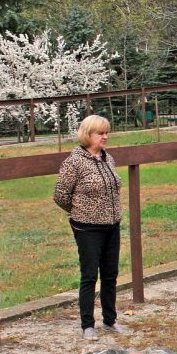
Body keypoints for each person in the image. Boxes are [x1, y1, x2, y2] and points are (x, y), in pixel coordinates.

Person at [53, 114, 129, 340]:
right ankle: (87, 324)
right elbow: (60, 195)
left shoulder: (108, 158)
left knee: (110, 274)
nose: (105, 137)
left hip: (112, 225)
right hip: (87, 228)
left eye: (107, 132)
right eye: (100, 133)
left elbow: (115, 187)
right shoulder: (74, 162)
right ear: (88, 135)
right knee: (89, 275)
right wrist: (80, 211)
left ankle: (110, 320)